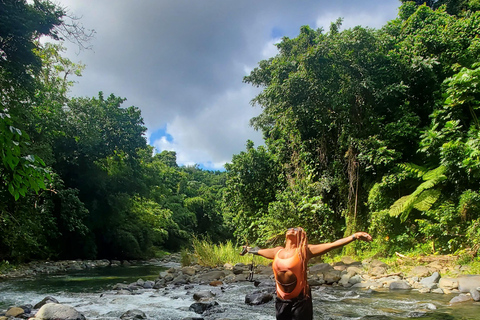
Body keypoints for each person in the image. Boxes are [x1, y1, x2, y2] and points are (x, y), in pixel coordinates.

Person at [241, 227, 372, 320]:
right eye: (291, 228)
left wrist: (354, 236)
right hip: (281, 300)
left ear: (301, 235)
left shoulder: (304, 251)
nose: (293, 229)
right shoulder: (277, 251)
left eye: (297, 229)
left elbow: (333, 245)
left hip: (300, 300)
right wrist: (248, 249)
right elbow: (259, 251)